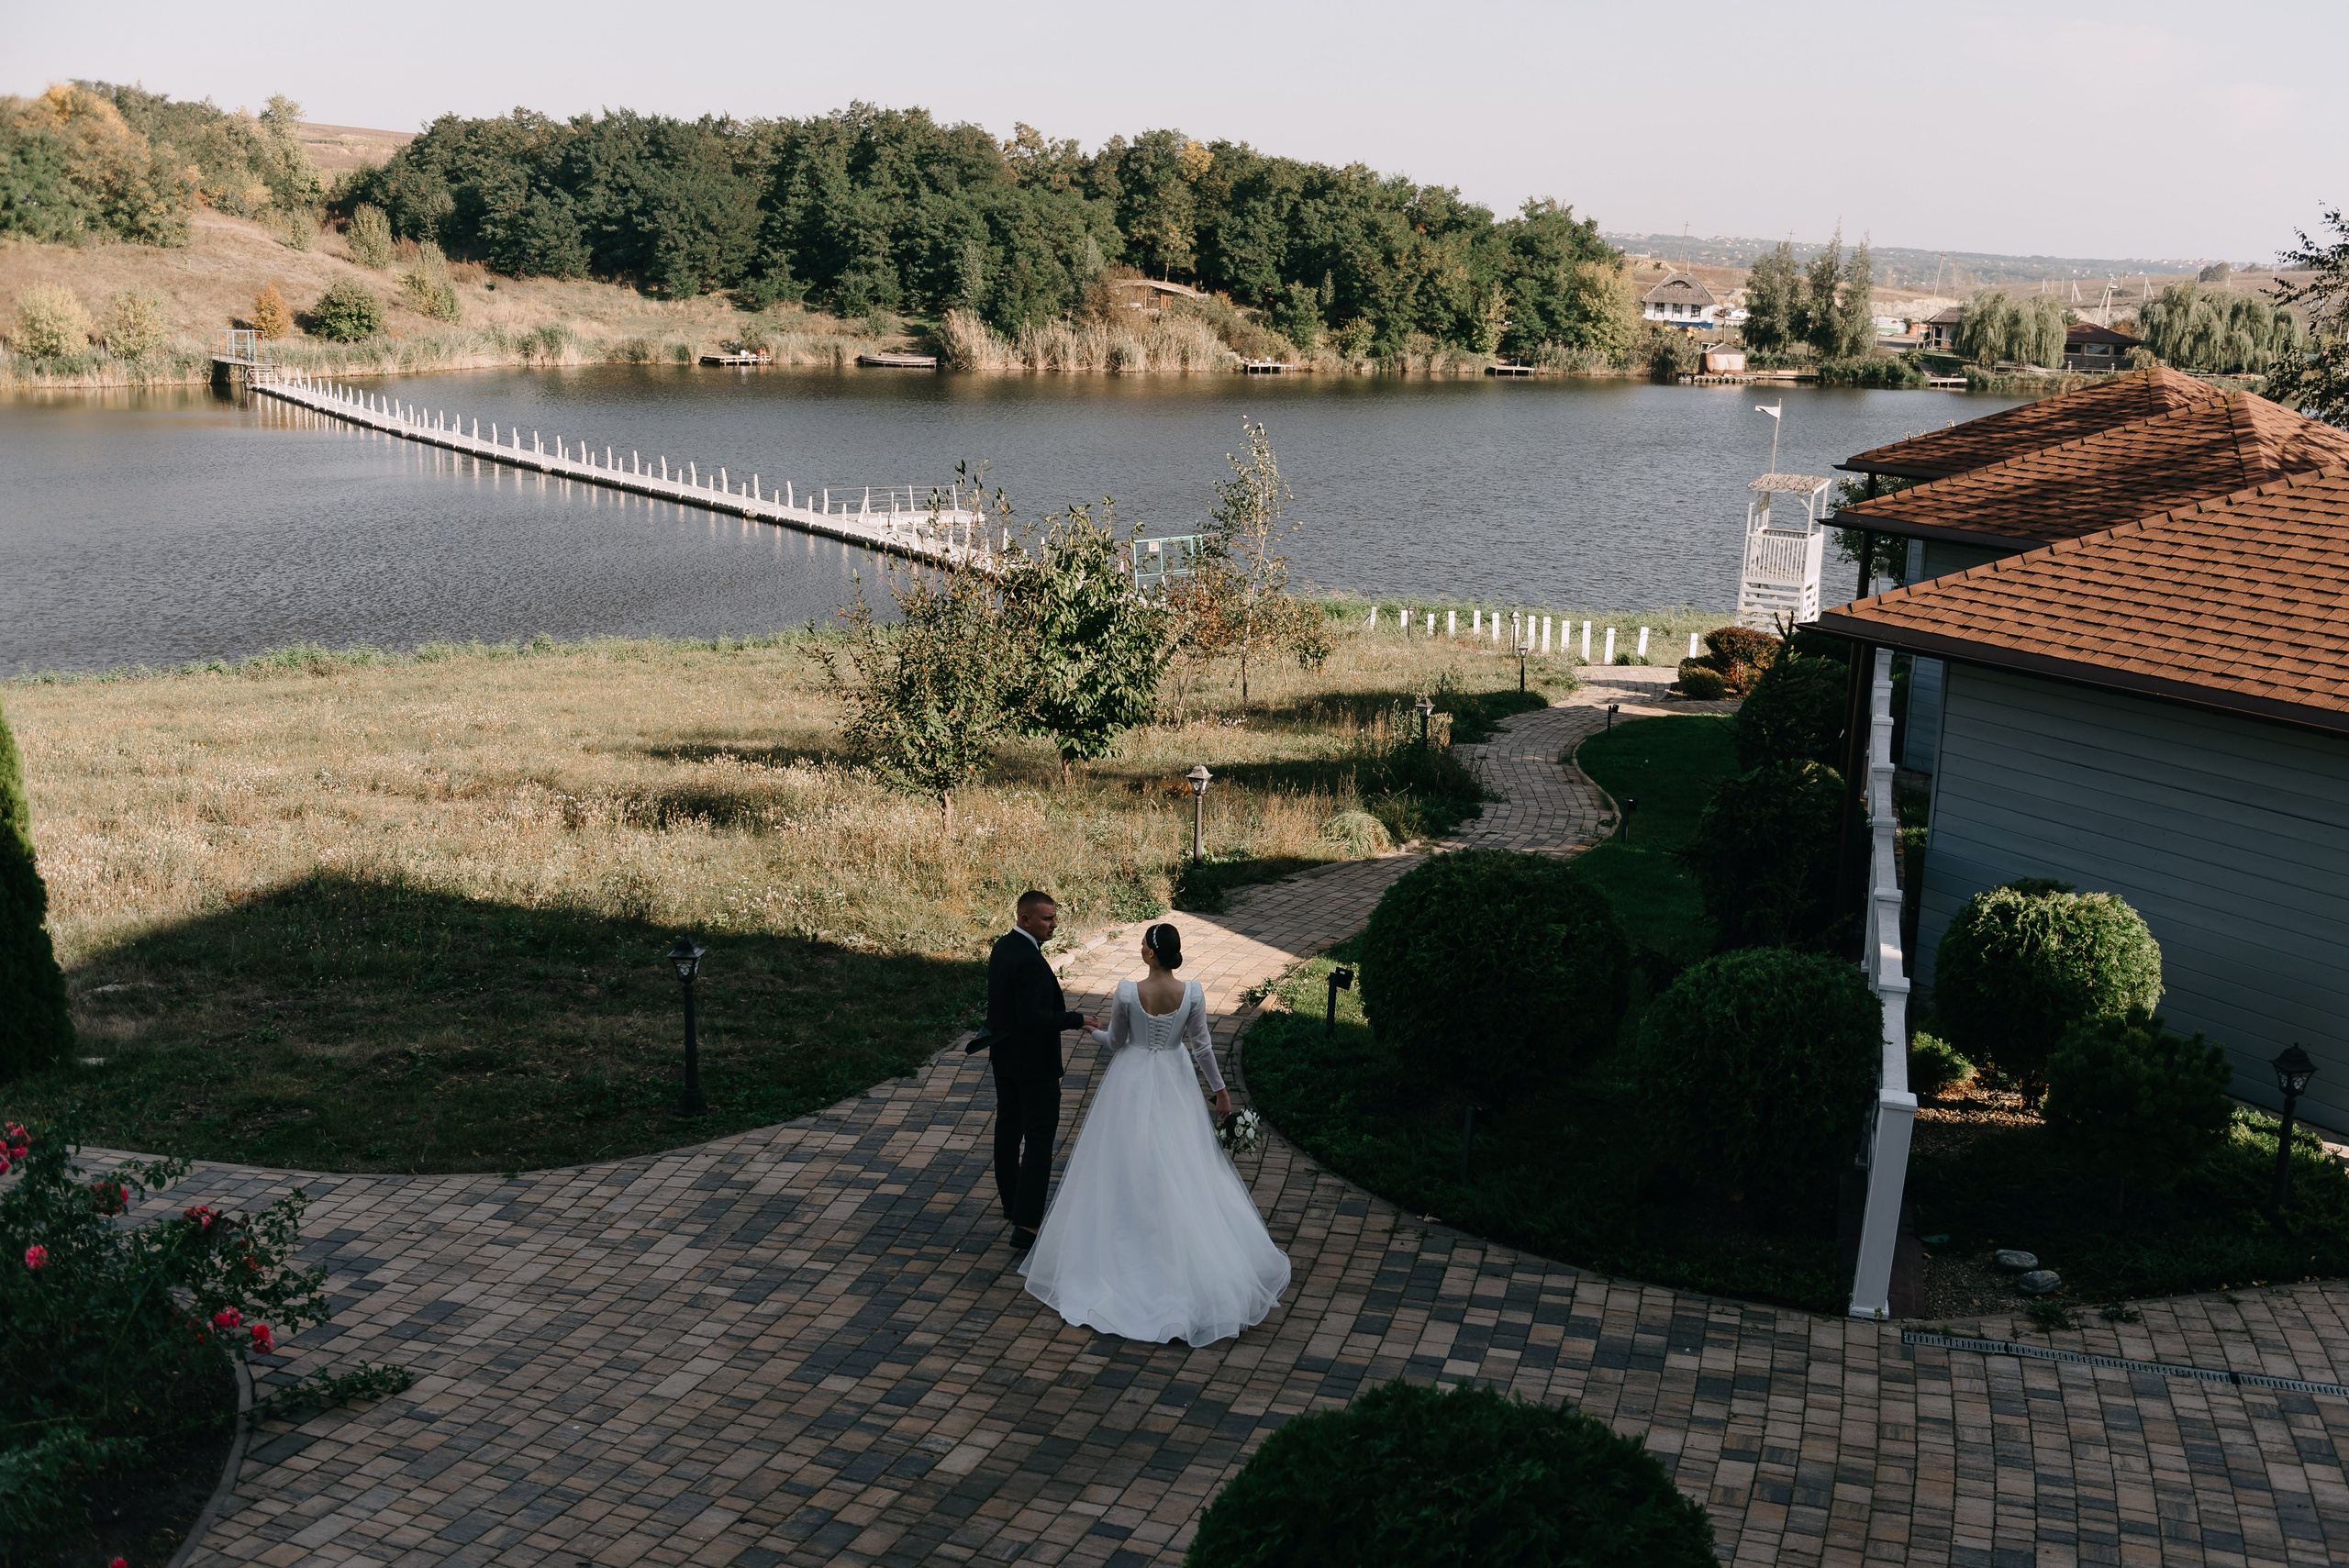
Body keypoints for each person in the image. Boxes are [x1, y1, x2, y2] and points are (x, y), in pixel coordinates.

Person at [1019, 921, 1292, 1345]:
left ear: (1150, 953)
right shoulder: (1194, 993)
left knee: (1127, 1161)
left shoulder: (1128, 992)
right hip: (1175, 1079)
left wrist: (1088, 1031)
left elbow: (1115, 1042)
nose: (1140, 948)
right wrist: (1220, 1092)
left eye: (1143, 943)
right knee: (1182, 1161)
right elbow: (1201, 1046)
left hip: (1131, 1079)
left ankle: (1125, 1246)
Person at [985, 890, 1099, 1255]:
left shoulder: (1004, 948)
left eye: (1054, 917)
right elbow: (1032, 1016)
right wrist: (1076, 1019)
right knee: (1038, 1142)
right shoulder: (1029, 962)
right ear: (1026, 920)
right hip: (1033, 1066)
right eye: (1048, 919)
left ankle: (1012, 1204)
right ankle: (1028, 1225)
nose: (1054, 924)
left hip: (1005, 1058)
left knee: (1007, 1131)